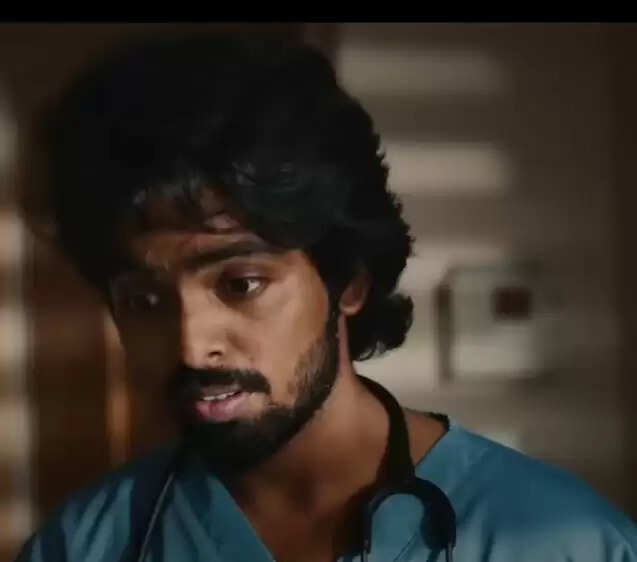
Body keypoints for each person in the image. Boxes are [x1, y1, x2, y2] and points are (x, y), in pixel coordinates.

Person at [16, 33, 637, 562]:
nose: (191, 347)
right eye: (144, 302)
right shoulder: (85, 545)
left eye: (241, 284)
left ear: (349, 280)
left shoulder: (560, 541)